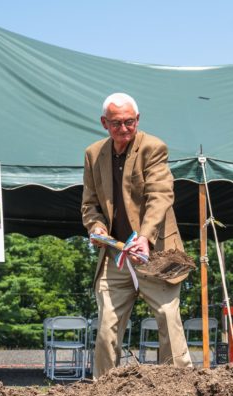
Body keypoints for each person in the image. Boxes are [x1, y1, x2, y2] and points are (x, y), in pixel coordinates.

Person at [81, 92, 193, 378]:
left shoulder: (153, 148)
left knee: (168, 317)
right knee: (107, 325)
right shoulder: (94, 154)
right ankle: (103, 389)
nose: (123, 129)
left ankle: (178, 388)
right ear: (104, 123)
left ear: (138, 120)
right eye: (116, 123)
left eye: (129, 122)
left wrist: (145, 236)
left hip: (154, 253)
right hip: (115, 253)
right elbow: (89, 204)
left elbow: (161, 195)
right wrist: (96, 226)